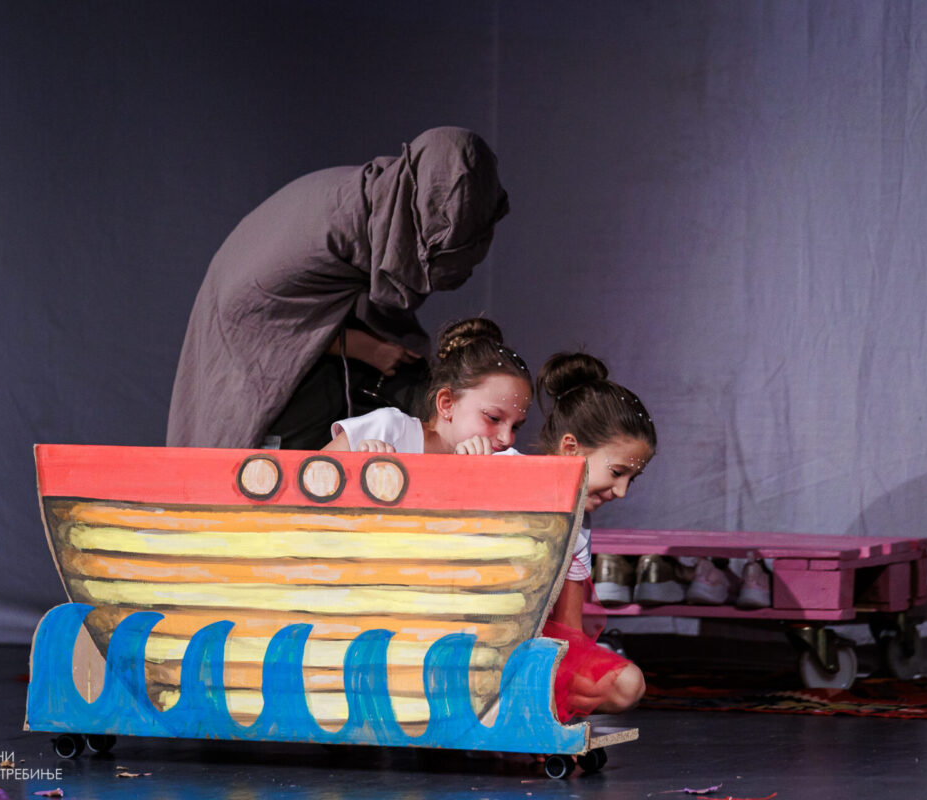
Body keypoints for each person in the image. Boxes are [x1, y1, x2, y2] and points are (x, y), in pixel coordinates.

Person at [167, 127, 509, 449]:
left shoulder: (386, 206)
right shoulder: (332, 230)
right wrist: (367, 348)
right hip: (261, 349)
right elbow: (258, 317)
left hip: (320, 327)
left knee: (416, 387)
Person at [535, 352, 656, 721]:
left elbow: (569, 630)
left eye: (632, 480)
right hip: (471, 636)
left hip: (529, 648)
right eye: (617, 472)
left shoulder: (579, 524)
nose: (621, 491)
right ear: (571, 448)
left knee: (628, 684)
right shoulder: (502, 472)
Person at [322, 318, 532, 455]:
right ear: (447, 403)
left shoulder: (503, 463)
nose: (507, 438)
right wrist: (357, 472)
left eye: (516, 427)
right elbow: (307, 481)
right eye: (493, 418)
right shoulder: (388, 430)